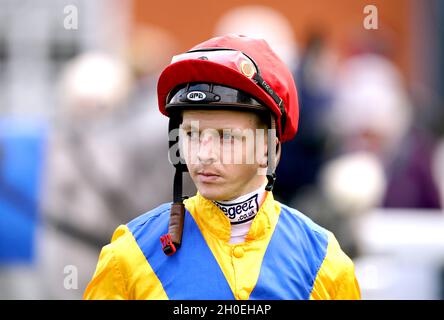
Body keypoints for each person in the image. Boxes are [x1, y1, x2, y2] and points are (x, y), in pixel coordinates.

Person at [83, 34, 360, 300]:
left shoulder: (324, 263)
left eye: (226, 136)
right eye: (191, 134)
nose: (203, 154)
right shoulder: (129, 255)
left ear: (269, 146)